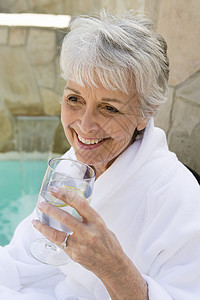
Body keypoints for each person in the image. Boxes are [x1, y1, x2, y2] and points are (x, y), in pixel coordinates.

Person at [0, 9, 200, 300]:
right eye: (74, 99)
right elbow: (23, 259)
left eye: (109, 108)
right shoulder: (75, 166)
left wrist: (113, 268)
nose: (84, 125)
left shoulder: (178, 198)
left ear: (145, 114)